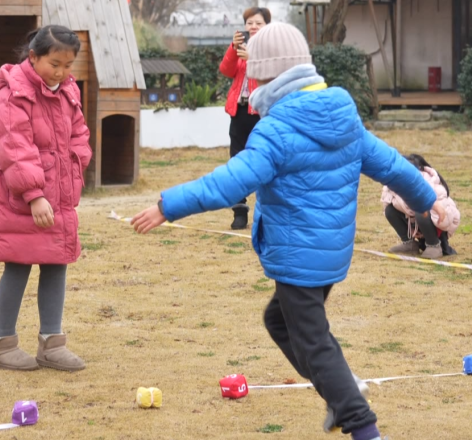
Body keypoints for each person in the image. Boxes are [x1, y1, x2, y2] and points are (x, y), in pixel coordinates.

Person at [131, 23, 440, 440]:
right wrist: (425, 199)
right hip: (329, 255)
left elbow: (230, 183)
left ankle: (361, 423)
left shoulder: (276, 131)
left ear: (263, 75)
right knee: (279, 321)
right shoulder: (342, 117)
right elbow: (393, 166)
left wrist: (166, 206)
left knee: (313, 340)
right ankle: (337, 391)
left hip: (297, 257)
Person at [0, 25, 91, 372]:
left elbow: (79, 133)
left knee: (57, 264)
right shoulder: (13, 94)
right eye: (54, 64)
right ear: (34, 56)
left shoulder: (69, 91)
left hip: (59, 197)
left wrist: (76, 165)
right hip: (21, 199)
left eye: (69, 66)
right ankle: (3, 344)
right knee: (18, 264)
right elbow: (14, 147)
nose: (62, 72)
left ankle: (52, 344)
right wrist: (34, 195)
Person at [218, 6, 270, 229]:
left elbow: (272, 75)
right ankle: (239, 212)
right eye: (250, 23)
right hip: (239, 113)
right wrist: (233, 48)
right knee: (237, 162)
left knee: (265, 162)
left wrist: (253, 58)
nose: (254, 27)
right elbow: (226, 70)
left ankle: (267, 213)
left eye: (258, 23)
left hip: (262, 114)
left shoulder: (271, 48)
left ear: (267, 25)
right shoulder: (240, 48)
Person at [382, 153, 460, 258]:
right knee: (390, 210)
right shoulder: (393, 184)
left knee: (421, 209)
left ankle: (434, 246)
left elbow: (445, 218)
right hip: (417, 224)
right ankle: (409, 244)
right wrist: (414, 229)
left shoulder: (432, 186)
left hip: (438, 226)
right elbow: (387, 203)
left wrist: (426, 231)